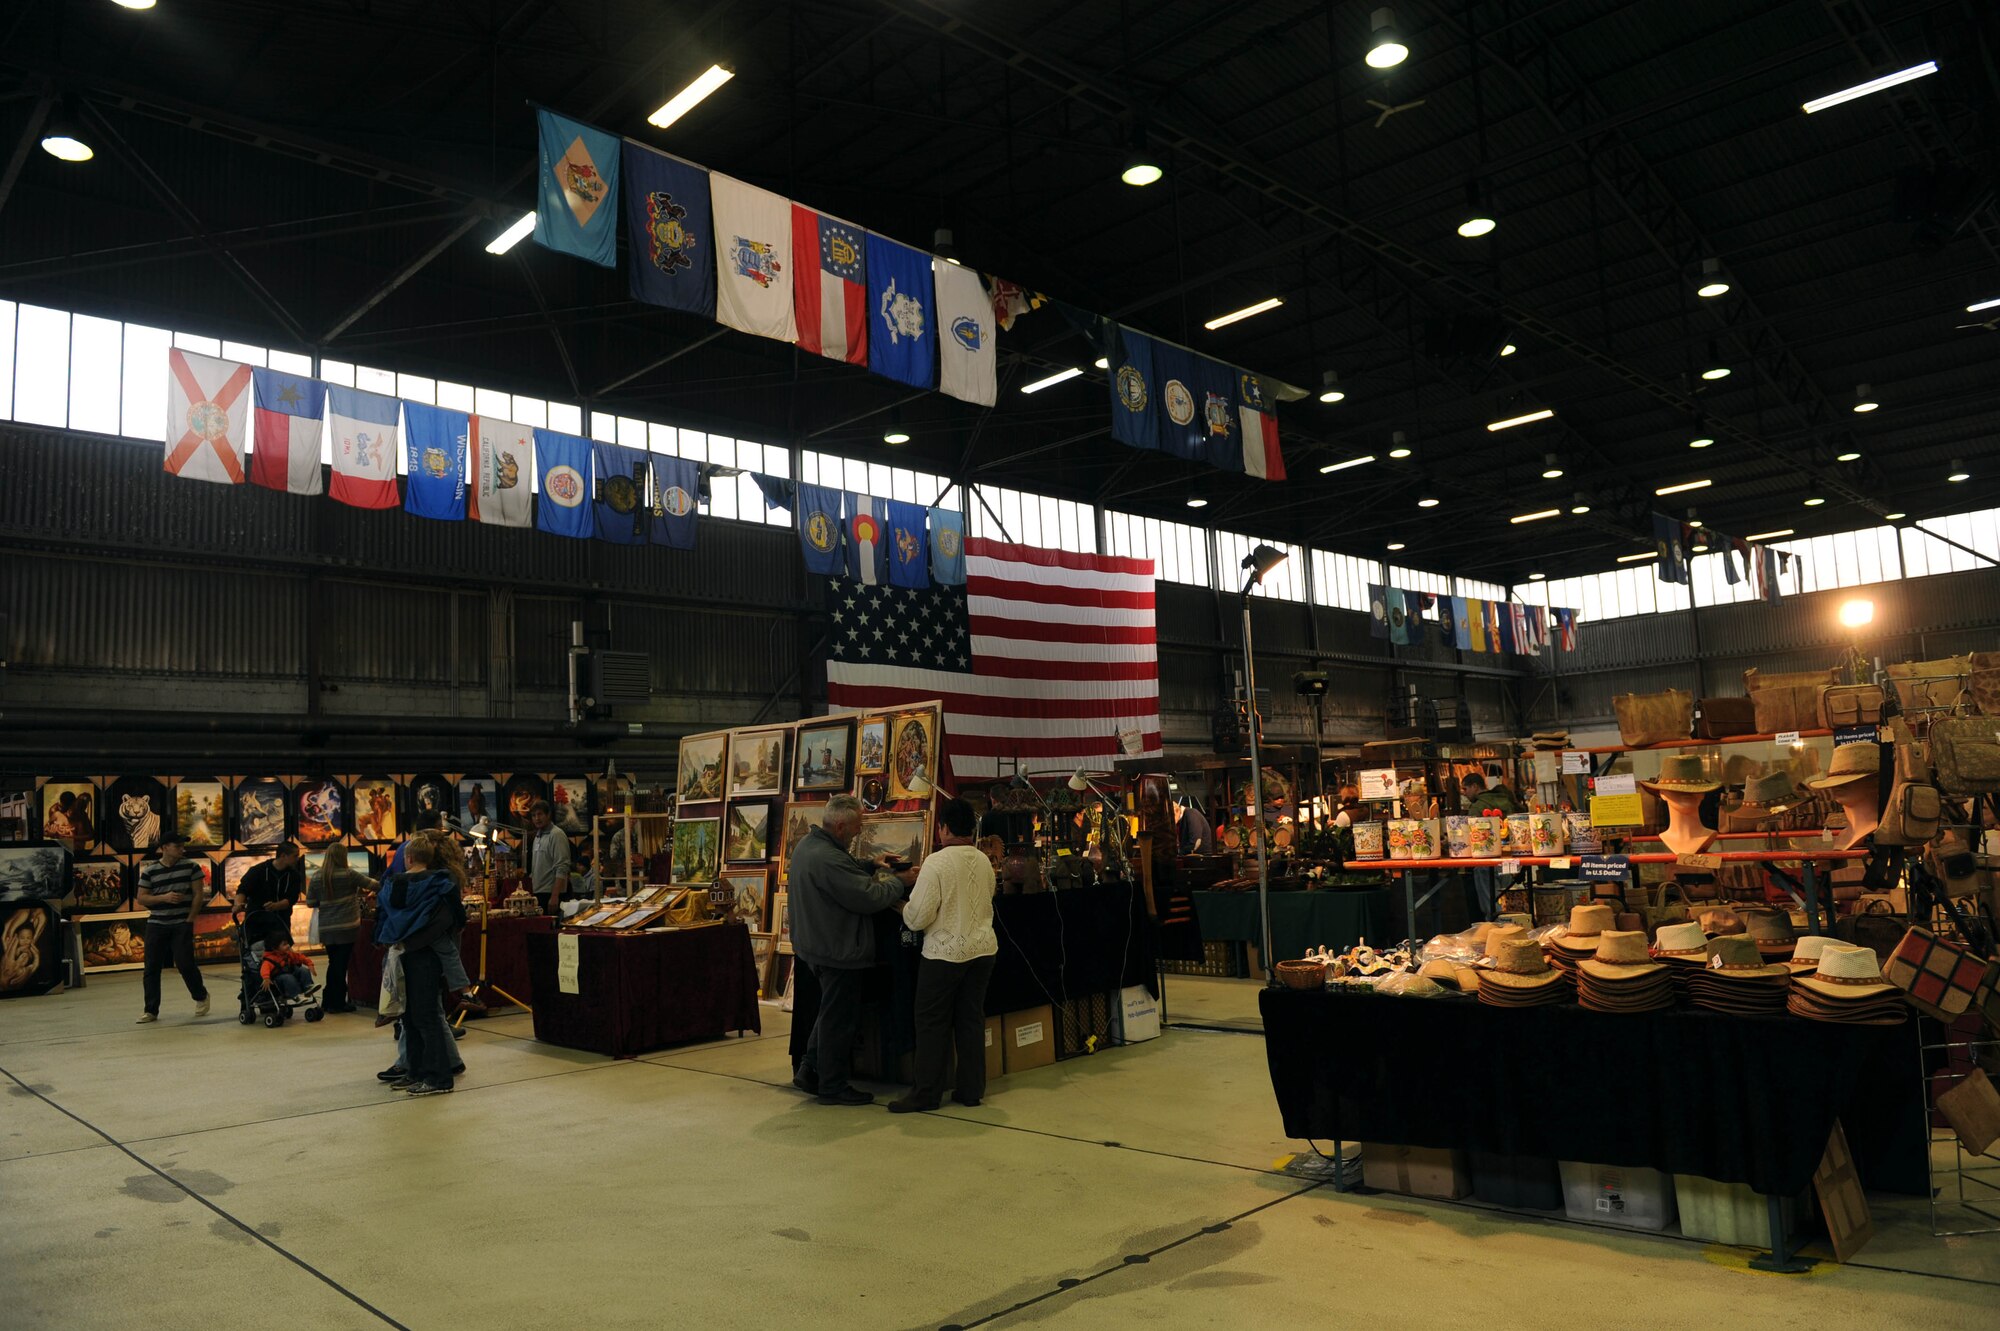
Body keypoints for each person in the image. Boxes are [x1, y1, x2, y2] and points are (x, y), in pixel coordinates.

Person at [788, 793, 912, 1106]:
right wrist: (900, 881)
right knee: (838, 1020)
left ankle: (810, 1069)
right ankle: (832, 1086)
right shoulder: (828, 857)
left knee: (829, 1013)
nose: (859, 832)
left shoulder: (809, 845)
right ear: (841, 826)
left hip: (816, 946)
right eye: (856, 826)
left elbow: (843, 868)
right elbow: (868, 897)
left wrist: (871, 863)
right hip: (838, 949)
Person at [890, 799, 999, 1114]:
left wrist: (902, 908)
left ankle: (926, 1093)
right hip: (982, 950)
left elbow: (919, 917)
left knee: (931, 1022)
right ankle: (971, 1090)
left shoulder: (935, 863)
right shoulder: (983, 860)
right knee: (970, 1020)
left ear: (944, 828)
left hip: (944, 954)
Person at [372, 838, 462, 1096]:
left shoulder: (391, 886)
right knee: (423, 1017)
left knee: (411, 1017)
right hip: (426, 955)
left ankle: (437, 1078)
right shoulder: (442, 885)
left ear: (407, 858)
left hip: (400, 952)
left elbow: (383, 917)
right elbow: (452, 920)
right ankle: (420, 1072)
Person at [134, 831, 209, 1023]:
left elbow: (199, 894)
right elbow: (142, 898)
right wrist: (164, 898)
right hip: (157, 923)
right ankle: (151, 1010)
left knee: (185, 963)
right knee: (151, 967)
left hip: (181, 923)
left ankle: (200, 995)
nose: (182, 850)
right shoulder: (150, 871)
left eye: (183, 846)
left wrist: (190, 918)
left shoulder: (191, 868)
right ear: (164, 847)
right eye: (178, 846)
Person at [305, 843, 371, 1012]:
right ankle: (335, 1003)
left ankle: (329, 1001)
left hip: (327, 928)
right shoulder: (350, 875)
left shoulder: (317, 876)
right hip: (347, 928)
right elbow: (374, 885)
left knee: (334, 962)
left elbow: (311, 902)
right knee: (340, 965)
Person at [526, 800, 572, 915]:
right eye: (534, 815)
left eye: (540, 814)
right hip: (539, 894)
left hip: (552, 895)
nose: (537, 818)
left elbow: (562, 867)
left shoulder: (557, 835)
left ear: (548, 815)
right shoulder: (537, 836)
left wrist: (555, 896)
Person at [238, 842, 304, 917]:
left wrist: (276, 906)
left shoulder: (294, 875)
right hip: (256, 920)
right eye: (295, 856)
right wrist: (238, 904)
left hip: (281, 922)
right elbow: (242, 890)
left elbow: (292, 898)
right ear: (283, 856)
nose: (298, 859)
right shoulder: (257, 871)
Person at [258, 929, 317, 1001]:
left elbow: (300, 957)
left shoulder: (288, 954)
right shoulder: (270, 959)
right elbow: (264, 969)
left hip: (290, 973)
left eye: (288, 943)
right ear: (275, 948)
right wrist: (266, 978)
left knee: (303, 970)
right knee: (288, 978)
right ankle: (296, 995)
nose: (288, 946)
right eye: (284, 944)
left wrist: (309, 964)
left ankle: (308, 987)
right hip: (279, 979)